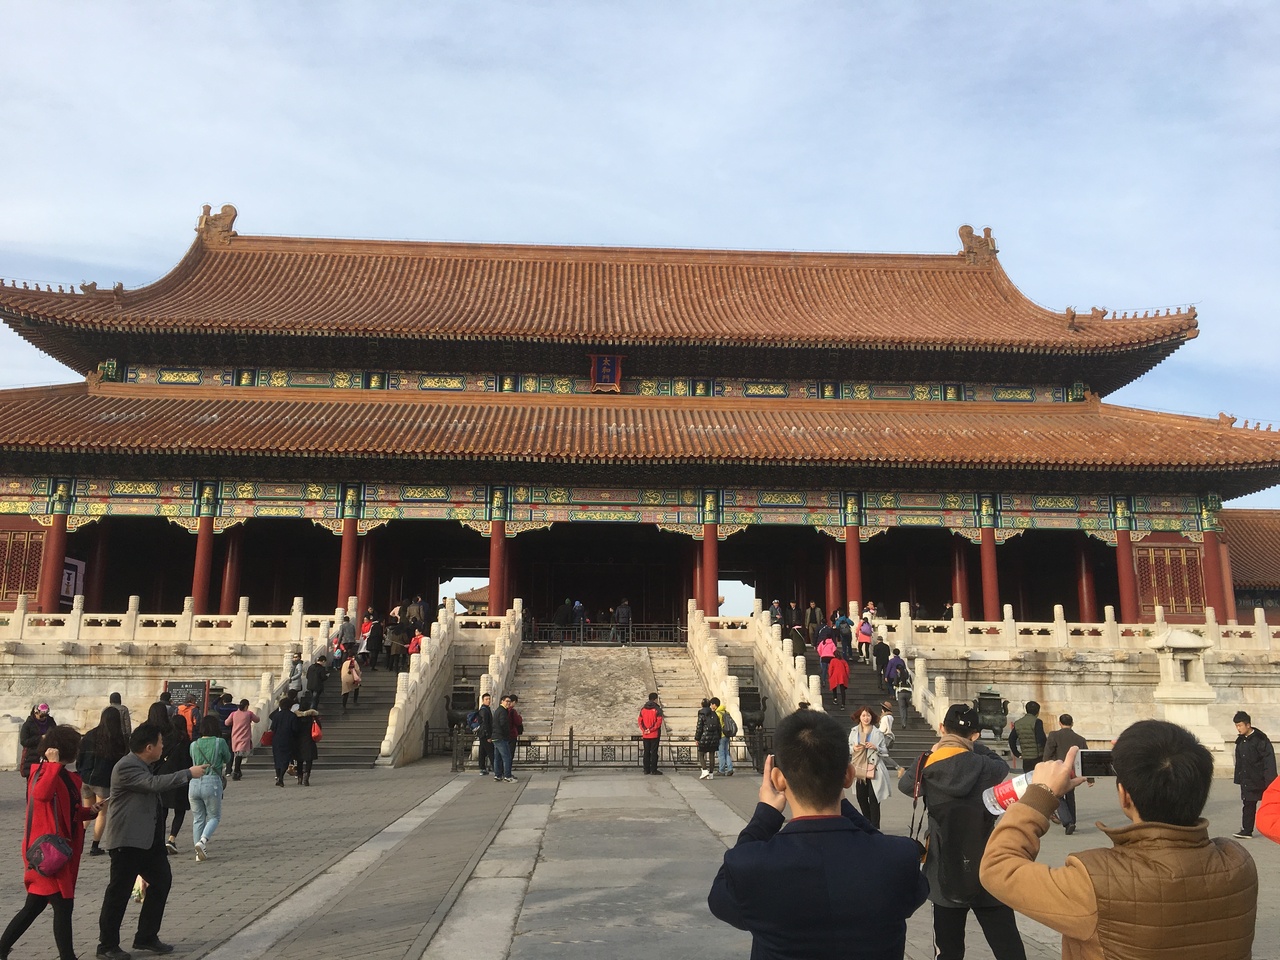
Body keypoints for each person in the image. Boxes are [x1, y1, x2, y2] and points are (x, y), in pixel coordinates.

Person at [980, 719, 1259, 959]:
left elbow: (998, 867)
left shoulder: (1094, 881)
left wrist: (1041, 794)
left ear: (1124, 796)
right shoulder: (1238, 862)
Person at [708, 709, 928, 959]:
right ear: (848, 775)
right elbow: (886, 853)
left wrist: (765, 816)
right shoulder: (898, 858)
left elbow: (720, 899)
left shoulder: (751, 865)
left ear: (778, 779)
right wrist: (843, 803)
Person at [898, 703, 1026, 960]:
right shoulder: (986, 766)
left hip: (943, 866)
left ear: (941, 728)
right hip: (986, 863)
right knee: (1007, 946)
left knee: (949, 949)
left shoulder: (928, 763)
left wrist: (934, 750)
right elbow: (1002, 767)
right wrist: (973, 746)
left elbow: (905, 784)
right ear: (975, 735)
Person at [96, 721, 208, 960]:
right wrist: (188, 773)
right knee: (118, 893)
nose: (162, 746)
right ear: (149, 747)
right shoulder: (127, 766)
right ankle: (107, 945)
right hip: (127, 841)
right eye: (160, 743)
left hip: (148, 842)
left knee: (162, 881)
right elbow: (153, 785)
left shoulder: (144, 764)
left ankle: (146, 936)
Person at [0, 724, 100, 960]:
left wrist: (90, 811)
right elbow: (42, 795)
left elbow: (68, 810)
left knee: (34, 905)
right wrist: (53, 764)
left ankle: (2, 948)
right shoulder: (44, 772)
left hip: (59, 850)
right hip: (48, 852)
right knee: (63, 905)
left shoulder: (65, 775)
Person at [79, 707, 130, 857]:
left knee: (86, 812)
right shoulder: (118, 739)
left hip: (86, 778)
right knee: (101, 814)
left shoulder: (89, 735)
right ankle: (94, 846)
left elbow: (80, 757)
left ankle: (78, 839)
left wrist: (82, 772)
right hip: (103, 781)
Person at [189, 716, 232, 860]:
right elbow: (227, 758)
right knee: (214, 817)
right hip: (212, 781)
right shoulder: (220, 742)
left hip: (194, 783)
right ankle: (202, 841)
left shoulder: (194, 744)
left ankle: (198, 853)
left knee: (198, 818)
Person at [1232, 710, 1276, 839]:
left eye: (1240, 725)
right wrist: (1239, 778)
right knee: (1248, 805)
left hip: (1262, 779)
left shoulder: (1261, 740)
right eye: (1236, 726)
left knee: (1270, 805)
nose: (1238, 728)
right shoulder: (1240, 741)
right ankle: (1247, 830)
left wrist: (1271, 781)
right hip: (1247, 779)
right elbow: (1239, 762)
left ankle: (1274, 828)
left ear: (1248, 725)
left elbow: (1269, 761)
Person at [1041, 714, 1088, 834]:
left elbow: (1048, 754)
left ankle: (1068, 821)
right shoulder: (1080, 739)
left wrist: (1046, 768)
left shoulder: (1054, 735)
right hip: (1073, 772)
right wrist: (1090, 778)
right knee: (1070, 795)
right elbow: (1086, 758)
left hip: (1058, 769)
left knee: (1058, 795)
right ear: (1072, 723)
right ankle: (1072, 820)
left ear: (1060, 723)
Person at [848, 705, 891, 828]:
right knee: (861, 797)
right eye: (863, 715)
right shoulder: (854, 731)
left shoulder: (877, 732)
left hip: (874, 768)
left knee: (874, 797)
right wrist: (854, 748)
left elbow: (885, 751)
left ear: (872, 717)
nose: (866, 718)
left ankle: (875, 826)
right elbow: (848, 747)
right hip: (859, 768)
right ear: (859, 717)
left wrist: (876, 748)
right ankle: (868, 823)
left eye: (868, 715)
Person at [158, 716, 192, 857]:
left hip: (164, 777)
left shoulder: (165, 740)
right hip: (181, 778)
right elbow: (189, 762)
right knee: (180, 810)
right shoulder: (187, 742)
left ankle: (160, 840)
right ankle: (172, 838)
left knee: (163, 810)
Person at [224, 699, 259, 781]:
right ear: (246, 706)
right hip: (244, 736)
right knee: (239, 755)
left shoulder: (234, 714)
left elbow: (226, 722)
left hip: (235, 736)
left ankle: (237, 771)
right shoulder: (249, 714)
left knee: (237, 753)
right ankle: (236, 771)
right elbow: (257, 720)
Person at [19, 703, 57, 779]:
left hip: (47, 755)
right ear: (35, 713)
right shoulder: (28, 724)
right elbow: (24, 741)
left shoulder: (50, 721)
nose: (44, 718)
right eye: (41, 716)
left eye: (45, 716)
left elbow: (55, 733)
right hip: (32, 756)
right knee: (32, 780)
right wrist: (40, 738)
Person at [1008, 701, 1046, 772]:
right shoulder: (1037, 722)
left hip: (1026, 758)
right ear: (1038, 711)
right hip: (1037, 756)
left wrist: (1017, 753)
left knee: (1028, 777)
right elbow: (1041, 739)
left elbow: (1011, 739)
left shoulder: (1018, 723)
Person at [292, 694, 321, 787]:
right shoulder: (313, 717)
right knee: (309, 760)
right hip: (309, 740)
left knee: (299, 760)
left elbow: (293, 729)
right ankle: (307, 775)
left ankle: (299, 777)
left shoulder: (296, 717)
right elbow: (319, 727)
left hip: (298, 741)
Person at [268, 697, 297, 788]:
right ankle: (281, 777)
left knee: (277, 758)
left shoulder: (276, 715)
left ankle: (278, 776)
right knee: (286, 759)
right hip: (288, 739)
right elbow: (295, 729)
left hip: (276, 739)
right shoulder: (292, 716)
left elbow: (272, 728)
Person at [638, 692, 664, 775]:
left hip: (645, 735)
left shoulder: (643, 709)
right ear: (656, 699)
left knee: (646, 752)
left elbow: (640, 721)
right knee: (654, 752)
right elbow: (658, 722)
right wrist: (651, 730)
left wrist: (644, 730)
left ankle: (646, 769)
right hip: (654, 734)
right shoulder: (657, 709)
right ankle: (653, 770)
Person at [695, 698, 720, 780]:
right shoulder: (714, 713)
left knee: (701, 754)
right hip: (714, 737)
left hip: (704, 736)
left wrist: (697, 738)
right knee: (712, 754)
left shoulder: (702, 713)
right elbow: (719, 727)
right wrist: (718, 737)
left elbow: (699, 727)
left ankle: (705, 769)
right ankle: (711, 773)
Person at [492, 695, 515, 782]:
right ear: (502, 701)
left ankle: (498, 775)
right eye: (507, 701)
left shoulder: (498, 710)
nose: (508, 703)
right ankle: (507, 776)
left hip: (496, 736)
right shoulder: (502, 711)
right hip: (501, 737)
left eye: (509, 701)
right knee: (507, 757)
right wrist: (507, 733)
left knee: (497, 757)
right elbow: (503, 724)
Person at [711, 697, 734, 776]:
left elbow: (717, 726)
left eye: (711, 704)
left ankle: (721, 770)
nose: (711, 706)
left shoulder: (717, 714)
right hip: (727, 734)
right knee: (726, 752)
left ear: (714, 705)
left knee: (721, 753)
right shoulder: (725, 712)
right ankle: (730, 768)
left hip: (721, 735)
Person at [476, 693, 494, 776]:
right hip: (485, 734)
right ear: (483, 700)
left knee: (482, 751)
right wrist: (488, 736)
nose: (488, 701)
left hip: (482, 734)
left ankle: (482, 768)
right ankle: (496, 768)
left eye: (489, 699)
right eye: (486, 699)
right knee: (491, 751)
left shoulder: (486, 709)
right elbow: (485, 724)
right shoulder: (484, 710)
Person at [507, 694, 525, 778]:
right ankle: (508, 773)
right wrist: (520, 717)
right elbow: (518, 721)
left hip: (505, 735)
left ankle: (503, 772)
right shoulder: (512, 711)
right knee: (510, 755)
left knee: (505, 755)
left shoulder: (504, 710)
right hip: (512, 734)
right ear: (514, 702)